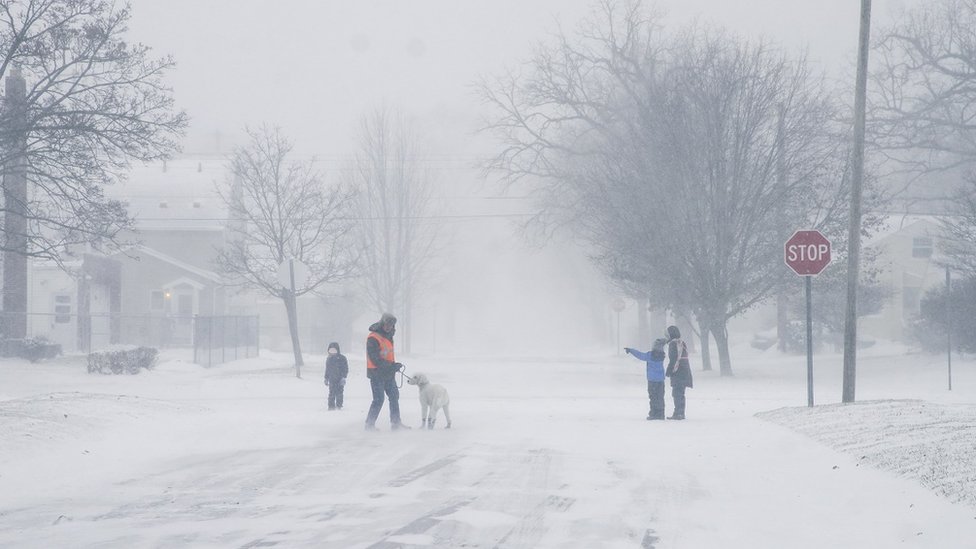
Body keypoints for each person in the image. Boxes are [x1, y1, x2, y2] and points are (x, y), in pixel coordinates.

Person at [364, 313, 410, 430]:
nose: (389, 327)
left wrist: (394, 365)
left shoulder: (389, 336)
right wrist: (390, 366)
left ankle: (396, 422)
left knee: (394, 396)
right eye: (387, 324)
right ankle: (369, 424)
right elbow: (374, 358)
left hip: (388, 373)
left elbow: (386, 355)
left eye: (392, 325)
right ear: (382, 323)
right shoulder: (373, 337)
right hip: (376, 373)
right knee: (379, 399)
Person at [624, 338, 668, 420]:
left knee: (653, 397)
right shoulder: (662, 356)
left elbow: (640, 355)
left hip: (652, 380)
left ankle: (654, 414)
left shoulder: (650, 355)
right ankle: (661, 414)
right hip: (661, 380)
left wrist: (631, 350)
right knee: (660, 397)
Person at [665, 325, 694, 420]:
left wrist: (669, 371)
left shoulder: (673, 344)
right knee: (681, 393)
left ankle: (678, 413)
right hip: (685, 370)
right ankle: (680, 412)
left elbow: (673, 359)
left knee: (677, 393)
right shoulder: (682, 343)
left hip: (678, 371)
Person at [324, 342, 348, 410]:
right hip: (332, 379)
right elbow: (327, 369)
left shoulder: (342, 358)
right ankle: (331, 406)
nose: (332, 352)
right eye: (331, 351)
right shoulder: (329, 359)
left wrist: (343, 377)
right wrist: (326, 378)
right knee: (331, 393)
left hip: (340, 379)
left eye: (334, 350)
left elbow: (345, 368)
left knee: (339, 393)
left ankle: (339, 406)